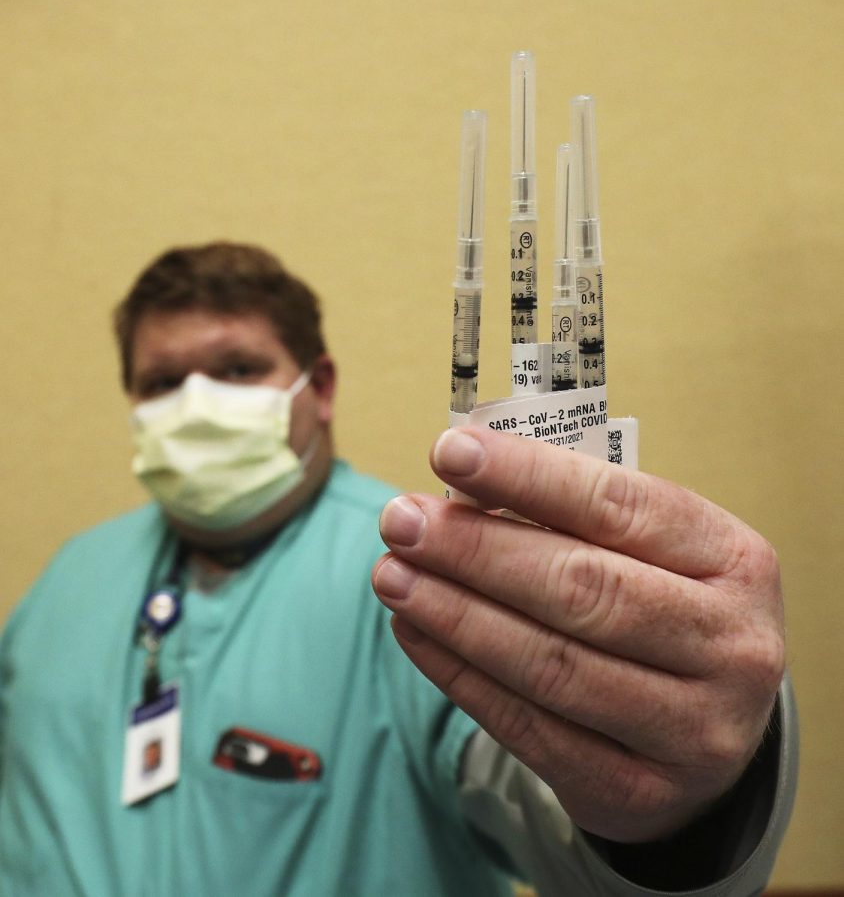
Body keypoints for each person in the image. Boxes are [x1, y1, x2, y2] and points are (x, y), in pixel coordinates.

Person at [0, 241, 796, 896]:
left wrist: (679, 797)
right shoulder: (68, 584)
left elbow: (563, 822)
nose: (196, 404)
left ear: (321, 391)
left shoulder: (418, 568)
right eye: (163, 383)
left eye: (239, 369)